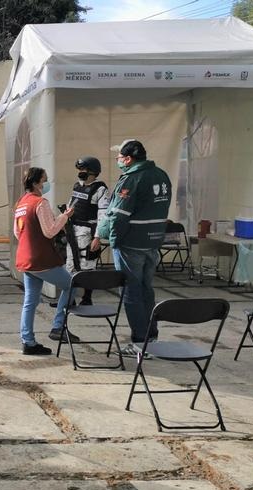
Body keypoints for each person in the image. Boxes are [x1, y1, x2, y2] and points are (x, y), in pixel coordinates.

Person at [90, 139, 172, 354]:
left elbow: (119, 215)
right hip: (153, 241)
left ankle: (139, 343)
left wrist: (114, 240)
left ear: (128, 159)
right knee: (146, 290)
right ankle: (151, 338)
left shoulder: (132, 179)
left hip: (131, 243)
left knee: (131, 292)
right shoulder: (161, 175)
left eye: (119, 157)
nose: (117, 160)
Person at [14, 167, 81, 355]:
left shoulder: (21, 203)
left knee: (30, 301)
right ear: (36, 183)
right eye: (44, 180)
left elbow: (17, 232)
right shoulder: (40, 203)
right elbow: (49, 231)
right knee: (71, 285)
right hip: (41, 258)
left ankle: (28, 341)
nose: (46, 184)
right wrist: (64, 217)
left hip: (26, 258)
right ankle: (58, 326)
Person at [65, 156, 109, 305]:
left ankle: (87, 298)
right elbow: (71, 205)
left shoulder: (100, 189)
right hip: (73, 230)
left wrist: (97, 237)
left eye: (83, 169)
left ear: (93, 171)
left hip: (88, 232)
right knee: (70, 264)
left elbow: (103, 215)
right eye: (80, 169)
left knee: (87, 265)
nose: (80, 172)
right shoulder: (77, 186)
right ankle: (69, 299)